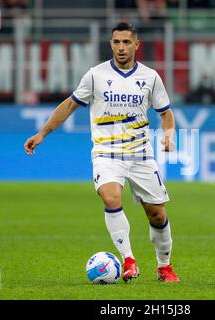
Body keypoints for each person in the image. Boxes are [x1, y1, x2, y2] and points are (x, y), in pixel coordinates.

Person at [24, 22, 180, 283]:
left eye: (126, 42)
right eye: (116, 42)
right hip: (106, 153)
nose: (121, 47)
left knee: (157, 213)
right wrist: (42, 134)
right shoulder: (95, 75)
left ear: (136, 45)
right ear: (110, 44)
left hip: (141, 154)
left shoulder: (151, 77)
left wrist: (168, 134)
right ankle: (128, 260)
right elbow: (70, 105)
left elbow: (166, 114)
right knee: (110, 197)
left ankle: (164, 266)